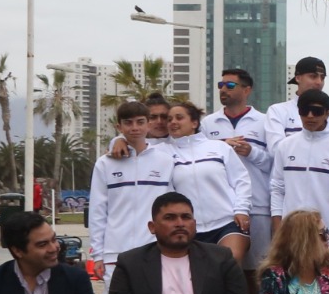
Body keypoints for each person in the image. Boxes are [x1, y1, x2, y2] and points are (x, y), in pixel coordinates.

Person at [106, 192, 252, 294]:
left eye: (186, 217)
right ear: (152, 227)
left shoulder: (220, 258)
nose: (180, 224)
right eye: (170, 218)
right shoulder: (131, 262)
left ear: (194, 224)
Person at [200, 69, 277, 277]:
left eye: (230, 85)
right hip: (222, 209)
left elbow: (275, 163)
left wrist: (251, 152)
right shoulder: (208, 124)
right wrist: (222, 145)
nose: (223, 90)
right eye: (221, 85)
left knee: (259, 271)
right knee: (226, 270)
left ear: (247, 90)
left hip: (258, 205)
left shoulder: (264, 121)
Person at [89, 100, 175, 267]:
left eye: (140, 122)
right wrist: (98, 254)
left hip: (154, 249)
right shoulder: (104, 163)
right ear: (119, 127)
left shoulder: (165, 161)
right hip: (115, 252)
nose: (135, 127)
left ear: (148, 124)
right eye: (128, 123)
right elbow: (97, 210)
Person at [270, 89, 329, 251]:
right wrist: (278, 228)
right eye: (304, 111)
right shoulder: (285, 146)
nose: (310, 116)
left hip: (328, 237)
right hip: (290, 236)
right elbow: (277, 188)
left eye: (316, 111)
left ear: (327, 113)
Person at [166, 101, 253, 264]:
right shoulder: (164, 152)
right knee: (199, 277)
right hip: (189, 227)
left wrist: (241, 210)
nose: (173, 122)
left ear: (194, 123)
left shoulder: (219, 147)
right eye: (169, 119)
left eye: (179, 118)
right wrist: (117, 142)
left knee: (229, 262)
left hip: (227, 222)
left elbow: (241, 180)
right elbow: (137, 145)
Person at [265, 57, 329, 142]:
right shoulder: (278, 111)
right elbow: (276, 149)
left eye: (322, 78)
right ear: (298, 78)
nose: (319, 82)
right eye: (313, 76)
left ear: (328, 113)